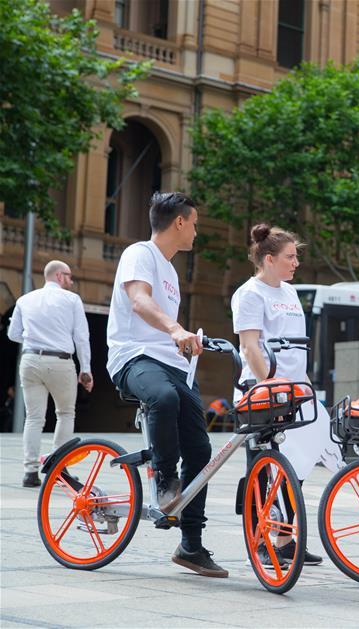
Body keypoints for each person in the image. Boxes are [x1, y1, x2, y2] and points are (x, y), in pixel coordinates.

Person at [107, 192, 227, 578]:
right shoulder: (139, 254)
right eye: (194, 223)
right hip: (132, 358)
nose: (196, 231)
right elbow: (140, 301)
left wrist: (188, 341)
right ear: (180, 222)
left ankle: (190, 545)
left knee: (202, 451)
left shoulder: (172, 272)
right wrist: (176, 328)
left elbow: (163, 325)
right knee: (162, 396)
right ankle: (164, 478)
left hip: (172, 365)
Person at [231, 223, 343, 568]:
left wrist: (307, 388)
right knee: (265, 470)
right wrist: (272, 384)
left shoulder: (290, 294)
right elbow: (250, 347)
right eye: (290, 257)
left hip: (296, 389)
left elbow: (297, 349)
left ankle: (284, 538)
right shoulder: (249, 294)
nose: (296, 263)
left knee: (302, 459)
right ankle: (262, 542)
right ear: (269, 259)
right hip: (263, 391)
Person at [7, 260, 93, 487]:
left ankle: (30, 472)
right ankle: (59, 468)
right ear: (58, 276)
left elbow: (13, 334)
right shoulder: (72, 300)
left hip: (30, 360)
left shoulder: (24, 300)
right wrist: (85, 369)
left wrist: (34, 337)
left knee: (34, 418)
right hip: (60, 361)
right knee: (65, 413)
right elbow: (82, 337)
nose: (71, 281)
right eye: (69, 276)